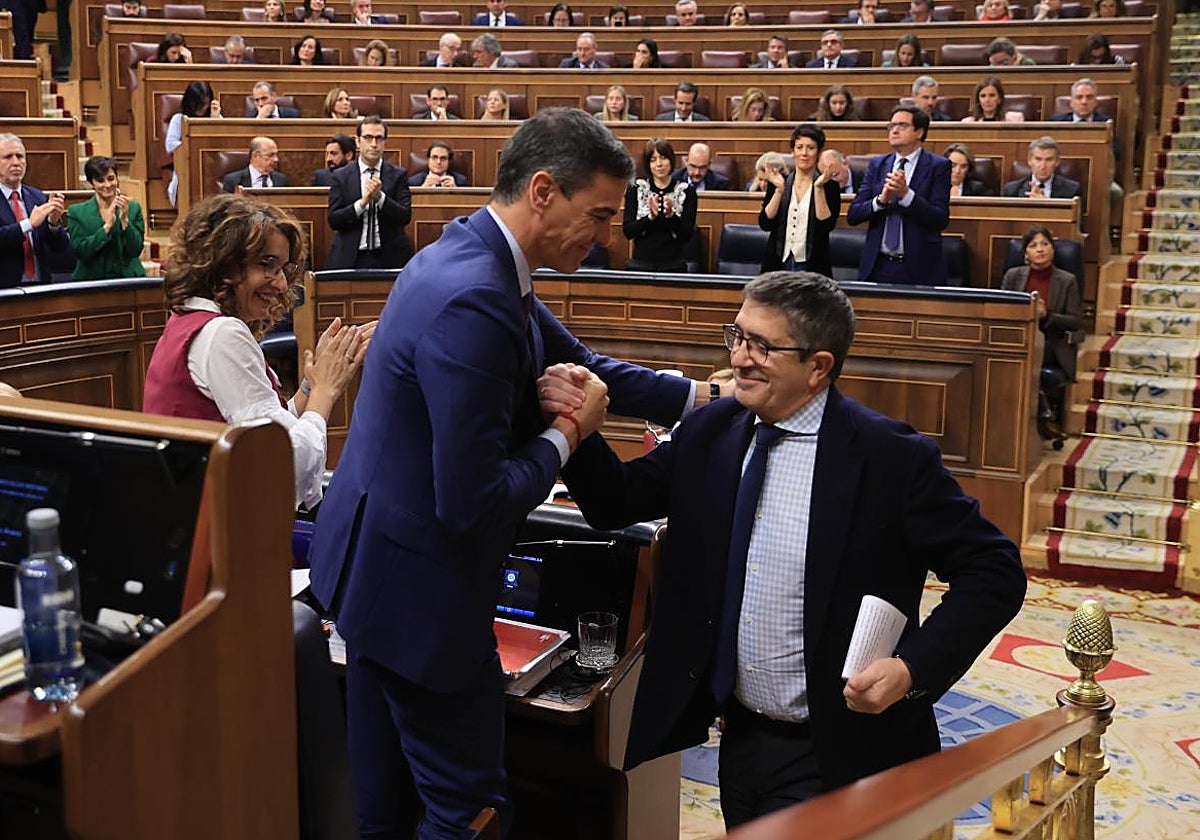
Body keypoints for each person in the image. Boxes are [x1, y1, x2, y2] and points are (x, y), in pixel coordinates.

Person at [307, 107, 712, 838]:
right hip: (423, 598)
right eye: (600, 215)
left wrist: (700, 398)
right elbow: (474, 504)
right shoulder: (479, 297)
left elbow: (582, 364)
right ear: (545, 192)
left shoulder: (470, 251)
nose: (610, 235)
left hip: (371, 573)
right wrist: (566, 433)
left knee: (385, 802)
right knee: (468, 811)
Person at [556, 271, 1026, 830]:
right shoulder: (713, 430)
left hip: (843, 748)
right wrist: (577, 434)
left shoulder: (888, 458)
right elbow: (617, 502)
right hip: (742, 738)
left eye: (763, 346)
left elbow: (995, 571)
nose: (741, 358)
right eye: (737, 336)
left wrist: (911, 668)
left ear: (818, 367)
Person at [143, 193, 371, 510]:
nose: (280, 284)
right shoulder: (223, 334)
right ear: (222, 262)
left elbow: (259, 425)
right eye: (267, 265)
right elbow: (284, 462)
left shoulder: (188, 320)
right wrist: (325, 392)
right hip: (217, 533)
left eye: (283, 269)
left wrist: (309, 387)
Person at [847, 106, 951, 285]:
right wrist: (881, 201)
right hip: (878, 265)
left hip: (918, 268)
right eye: (891, 125)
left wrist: (906, 196)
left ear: (919, 132)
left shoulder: (938, 166)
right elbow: (854, 215)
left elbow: (940, 219)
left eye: (902, 125)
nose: (894, 130)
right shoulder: (877, 164)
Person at [1001, 225, 1083, 443]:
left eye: (1045, 244)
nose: (1040, 249)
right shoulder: (1013, 276)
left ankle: (1034, 421)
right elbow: (1001, 308)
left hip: (1052, 343)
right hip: (1016, 338)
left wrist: (1047, 315)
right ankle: (1042, 415)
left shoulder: (1067, 280)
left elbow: (1076, 321)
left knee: (1031, 354)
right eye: (1033, 245)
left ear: (1053, 249)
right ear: (1025, 252)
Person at [325, 116, 413, 270]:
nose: (374, 144)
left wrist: (380, 198)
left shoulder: (398, 175)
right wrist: (362, 203)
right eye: (368, 137)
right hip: (351, 256)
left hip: (389, 256)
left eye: (379, 138)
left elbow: (405, 217)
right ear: (358, 141)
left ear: (385, 142)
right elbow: (334, 220)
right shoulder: (341, 176)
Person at [758, 124, 841, 276]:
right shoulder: (778, 182)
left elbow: (826, 226)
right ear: (792, 151)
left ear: (818, 153)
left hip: (813, 267)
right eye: (799, 147)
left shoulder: (829, 187)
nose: (804, 153)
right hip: (777, 264)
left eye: (810, 148)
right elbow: (765, 223)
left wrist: (818, 189)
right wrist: (779, 191)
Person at [0, 133, 69, 287]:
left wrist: (53, 223)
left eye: (20, 156)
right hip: (4, 289)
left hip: (39, 287)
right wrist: (28, 224)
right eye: (8, 157)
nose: (16, 162)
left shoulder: (37, 197)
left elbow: (60, 247)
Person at [623, 138, 697, 273]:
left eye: (663, 158)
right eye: (653, 160)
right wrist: (649, 217)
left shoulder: (686, 191)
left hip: (673, 266)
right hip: (640, 265)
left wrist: (671, 216)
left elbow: (687, 235)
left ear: (671, 160)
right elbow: (628, 231)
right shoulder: (636, 188)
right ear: (647, 164)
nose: (659, 164)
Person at [66, 155, 145, 281]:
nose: (107, 185)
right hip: (91, 281)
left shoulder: (134, 209)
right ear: (91, 183)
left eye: (111, 179)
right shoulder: (76, 212)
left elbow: (135, 250)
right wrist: (106, 228)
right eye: (100, 181)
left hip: (128, 280)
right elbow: (81, 252)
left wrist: (125, 221)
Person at [166, 81, 221, 206]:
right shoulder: (178, 119)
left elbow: (223, 144)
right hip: (188, 167)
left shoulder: (215, 117)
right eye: (198, 104)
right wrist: (194, 146)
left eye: (205, 104)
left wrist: (215, 119)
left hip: (212, 168)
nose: (202, 108)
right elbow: (170, 145)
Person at [1002, 136, 1082, 200]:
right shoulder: (1012, 190)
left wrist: (1047, 204)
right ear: (1029, 160)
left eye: (1049, 160)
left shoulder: (1072, 190)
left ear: (1057, 162)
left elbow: (1076, 220)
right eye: (1038, 159)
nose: (1043, 166)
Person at [223, 137, 290, 193]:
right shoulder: (233, 180)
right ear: (256, 155)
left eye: (276, 155)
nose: (276, 159)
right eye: (271, 155)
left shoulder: (282, 180)